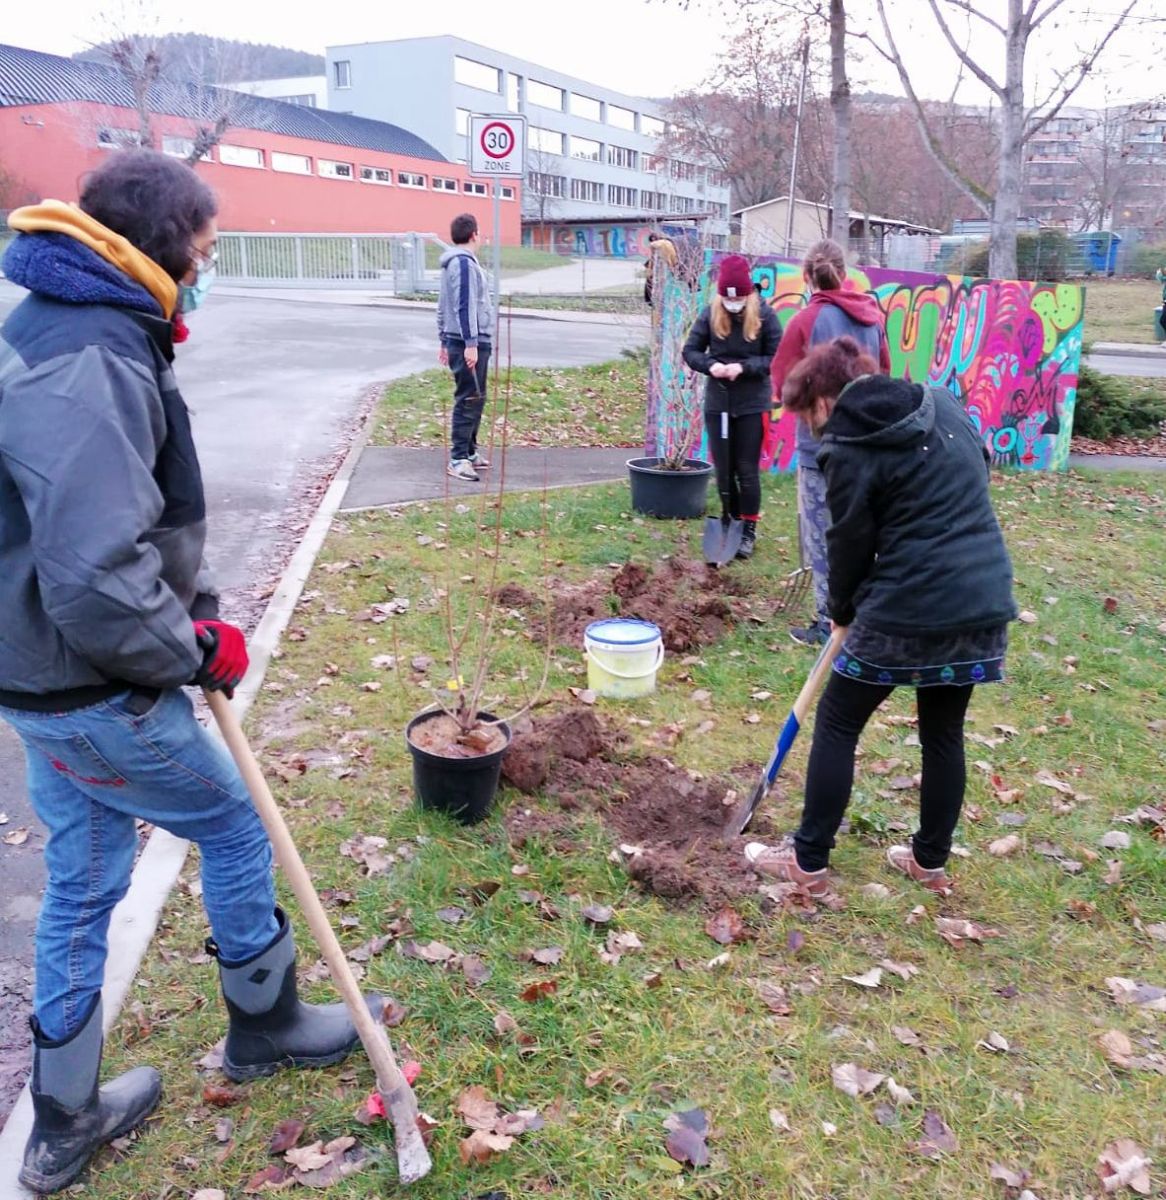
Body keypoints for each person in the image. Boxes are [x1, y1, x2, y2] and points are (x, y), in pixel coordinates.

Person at [0, 150, 382, 1195]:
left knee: (81, 880)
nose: (208, 272)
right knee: (229, 821)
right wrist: (183, 649)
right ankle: (262, 1025)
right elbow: (90, 570)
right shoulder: (93, 356)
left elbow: (131, 523)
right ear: (163, 247)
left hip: (37, 675)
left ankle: (62, 1120)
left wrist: (195, 615)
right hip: (87, 685)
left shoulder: (66, 323)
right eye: (206, 251)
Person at [745, 338, 1017, 896]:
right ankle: (928, 862)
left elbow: (846, 541)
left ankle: (807, 863)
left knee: (839, 721)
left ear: (825, 399)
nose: (813, 428)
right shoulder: (941, 402)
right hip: (983, 596)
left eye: (808, 416)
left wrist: (842, 610)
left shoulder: (849, 445)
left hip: (908, 606)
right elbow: (976, 470)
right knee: (943, 731)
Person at [768, 239, 891, 645]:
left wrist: (809, 406)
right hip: (869, 443)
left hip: (819, 448)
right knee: (862, 528)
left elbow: (782, 380)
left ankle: (829, 622)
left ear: (808, 276)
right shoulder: (873, 318)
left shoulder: (806, 319)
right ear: (846, 272)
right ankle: (869, 615)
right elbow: (885, 375)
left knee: (822, 533)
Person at [682, 254, 782, 560]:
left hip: (752, 403)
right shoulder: (710, 313)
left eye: (738, 298)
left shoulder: (765, 315)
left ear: (748, 294)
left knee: (747, 470)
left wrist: (744, 367)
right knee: (724, 470)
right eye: (727, 298)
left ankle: (748, 529)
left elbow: (776, 357)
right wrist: (712, 366)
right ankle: (729, 519)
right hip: (719, 401)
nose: (733, 303)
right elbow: (691, 351)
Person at [438, 212, 494, 482]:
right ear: (474, 234)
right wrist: (469, 343)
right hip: (468, 342)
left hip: (465, 340)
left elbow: (442, 304)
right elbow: (463, 305)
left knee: (477, 397)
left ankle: (469, 451)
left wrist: (443, 340)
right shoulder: (462, 263)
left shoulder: (458, 263)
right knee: (468, 398)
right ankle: (459, 458)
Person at [643, 230, 678, 308]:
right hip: (658, 273)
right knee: (650, 280)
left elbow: (671, 261)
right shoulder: (655, 251)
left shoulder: (667, 245)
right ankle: (651, 301)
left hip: (666, 271)